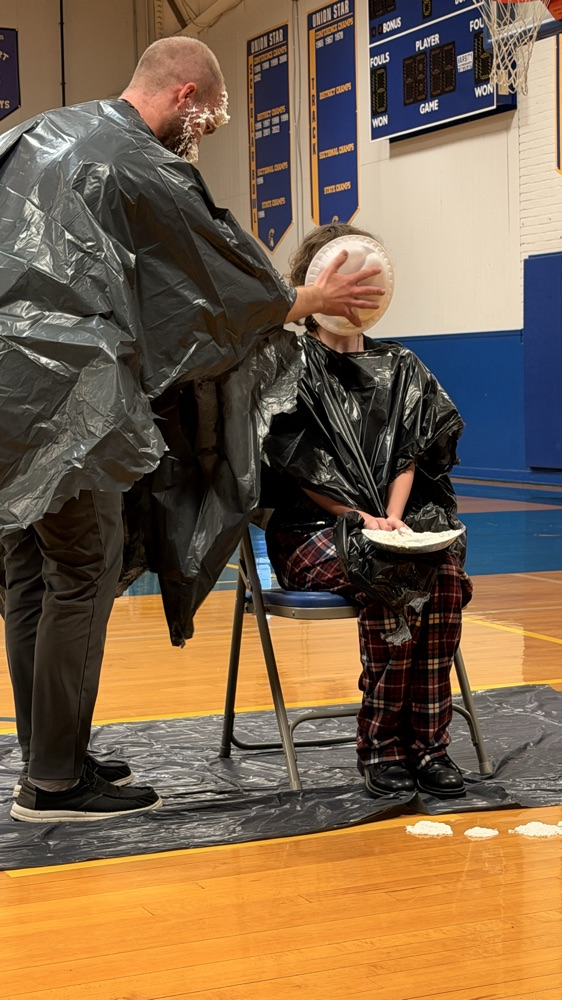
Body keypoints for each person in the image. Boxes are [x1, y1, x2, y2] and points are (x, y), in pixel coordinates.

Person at [0, 38, 383, 823]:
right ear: (183, 95)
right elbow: (226, 282)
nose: (200, 133)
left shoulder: (30, 136)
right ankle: (57, 784)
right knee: (80, 573)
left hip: (6, 397)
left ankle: (47, 756)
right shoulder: (141, 159)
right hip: (69, 396)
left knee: (30, 577)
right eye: (204, 117)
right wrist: (313, 296)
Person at [262, 223, 473, 799]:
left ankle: (430, 746)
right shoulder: (287, 365)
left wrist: (392, 519)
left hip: (390, 522)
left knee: (444, 573)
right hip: (313, 530)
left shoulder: (400, 366)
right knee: (387, 575)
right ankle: (383, 745)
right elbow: (295, 463)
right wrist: (359, 519)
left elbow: (410, 452)